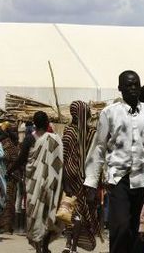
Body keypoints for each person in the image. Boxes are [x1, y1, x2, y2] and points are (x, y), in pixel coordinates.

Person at [84, 70, 144, 253]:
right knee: (120, 228)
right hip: (119, 179)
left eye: (136, 84)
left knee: (140, 229)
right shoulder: (109, 113)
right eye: (128, 85)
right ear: (120, 88)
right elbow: (99, 147)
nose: (133, 88)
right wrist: (91, 181)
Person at [62, 101, 100, 252]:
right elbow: (97, 158)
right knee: (80, 212)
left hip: (69, 175)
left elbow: (63, 156)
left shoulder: (68, 131)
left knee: (70, 209)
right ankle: (72, 246)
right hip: (87, 178)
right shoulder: (93, 133)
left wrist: (64, 179)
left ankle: (69, 243)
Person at [25, 111, 64, 253]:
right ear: (47, 123)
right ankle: (45, 246)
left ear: (34, 124)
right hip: (51, 184)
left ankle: (39, 246)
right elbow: (59, 163)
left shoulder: (30, 139)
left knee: (35, 213)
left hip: (33, 184)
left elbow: (22, 158)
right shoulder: (56, 139)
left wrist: (10, 170)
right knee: (47, 213)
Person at [0, 122, 20, 234]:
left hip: (8, 175)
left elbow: (7, 158)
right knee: (9, 200)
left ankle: (6, 226)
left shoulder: (6, 143)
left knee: (8, 200)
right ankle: (6, 226)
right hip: (10, 175)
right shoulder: (12, 143)